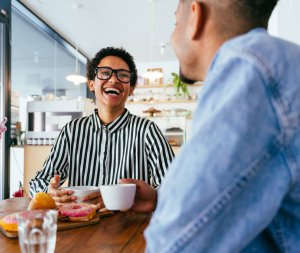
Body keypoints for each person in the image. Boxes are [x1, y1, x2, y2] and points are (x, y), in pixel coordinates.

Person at [122, 0, 300, 252]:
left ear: (195, 16)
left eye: (175, 22)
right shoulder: (274, 62)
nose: (172, 35)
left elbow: (176, 241)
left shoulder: (249, 66)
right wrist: (160, 199)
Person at [29, 47, 175, 208]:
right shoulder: (72, 131)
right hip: (82, 227)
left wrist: (154, 196)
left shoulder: (148, 131)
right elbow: (39, 181)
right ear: (91, 84)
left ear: (131, 89)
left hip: (131, 228)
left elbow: (176, 189)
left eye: (123, 75)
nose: (114, 80)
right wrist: (49, 193)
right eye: (105, 73)